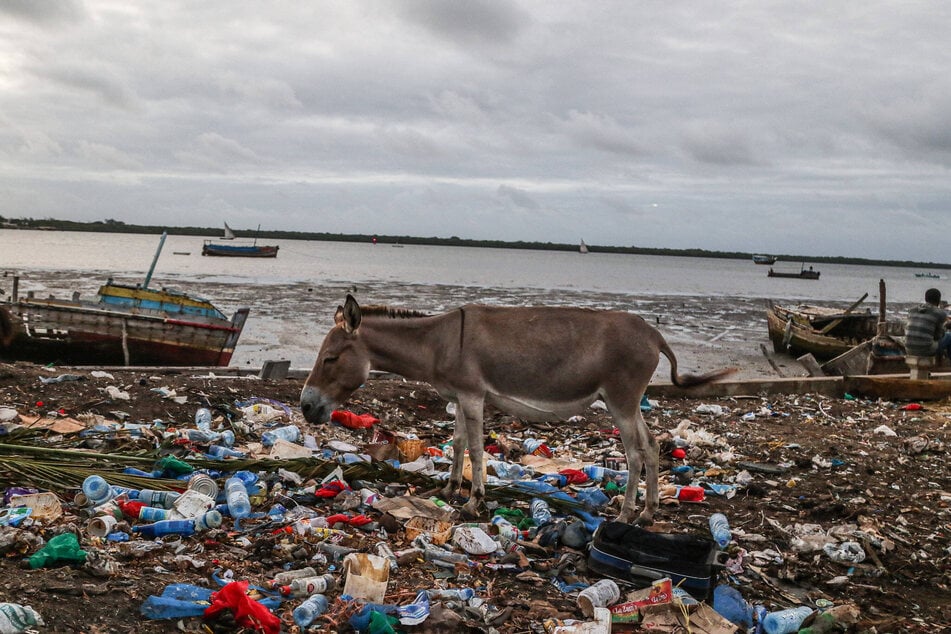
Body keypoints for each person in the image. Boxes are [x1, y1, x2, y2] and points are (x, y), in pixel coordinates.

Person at [905, 288, 951, 362]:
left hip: (908, 348)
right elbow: (938, 336)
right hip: (925, 350)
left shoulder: (912, 310)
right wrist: (945, 327)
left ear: (925, 298)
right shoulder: (939, 313)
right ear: (939, 300)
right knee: (949, 337)